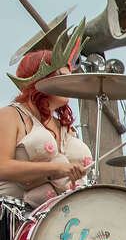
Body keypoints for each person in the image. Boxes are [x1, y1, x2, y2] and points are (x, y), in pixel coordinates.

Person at [0, 34, 91, 217]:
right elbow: (2, 167)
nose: (70, 83)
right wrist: (56, 169)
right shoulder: (11, 115)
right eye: (63, 76)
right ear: (42, 79)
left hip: (61, 223)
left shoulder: (66, 129)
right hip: (13, 220)